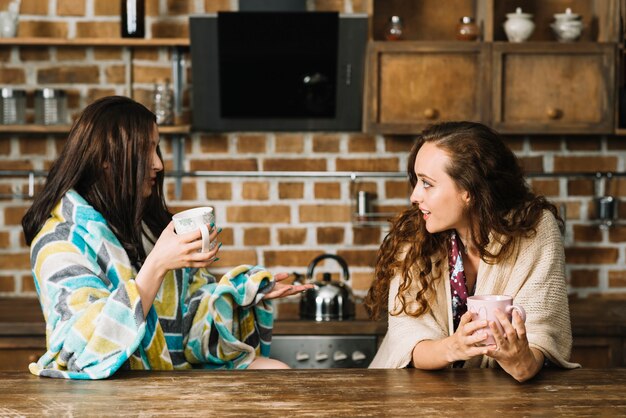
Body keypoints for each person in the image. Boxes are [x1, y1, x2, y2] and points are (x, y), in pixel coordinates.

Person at [22, 96, 310, 380]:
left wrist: (239, 295)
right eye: (146, 150)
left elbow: (188, 324)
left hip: (169, 374)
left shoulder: (147, 228)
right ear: (107, 159)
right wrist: (156, 265)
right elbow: (84, 354)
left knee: (275, 372)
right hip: (104, 389)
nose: (158, 164)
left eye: (156, 148)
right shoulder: (59, 241)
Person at [365, 121, 579, 382]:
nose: (414, 196)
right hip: (415, 391)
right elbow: (406, 338)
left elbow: (539, 336)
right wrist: (454, 347)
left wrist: (519, 360)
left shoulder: (534, 229)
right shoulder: (413, 236)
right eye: (416, 181)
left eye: (427, 183)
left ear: (469, 190)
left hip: (503, 398)